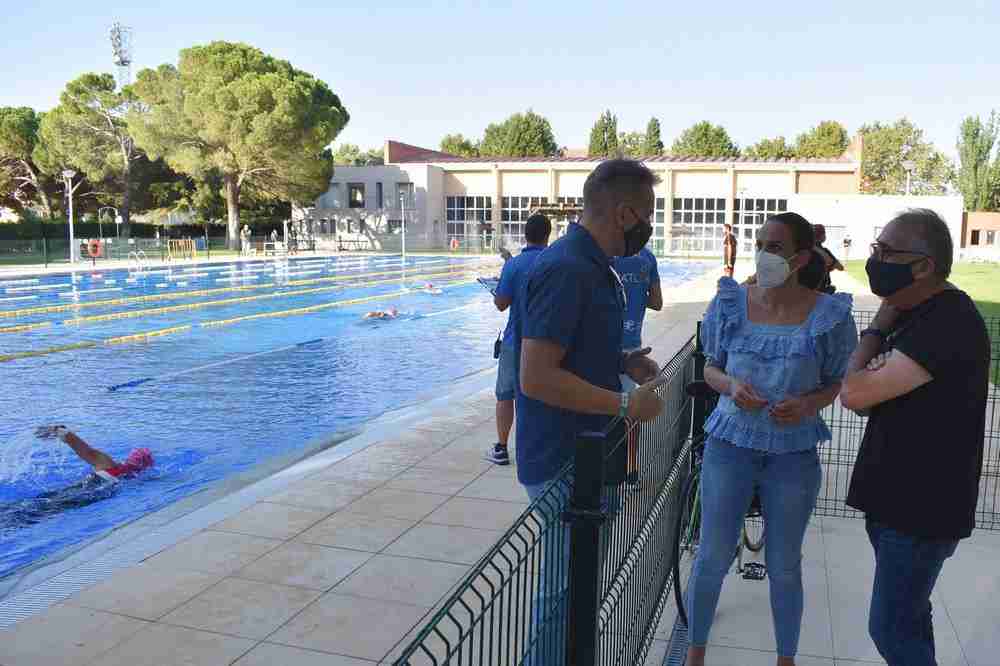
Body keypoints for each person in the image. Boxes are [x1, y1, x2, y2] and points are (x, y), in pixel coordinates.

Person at [514, 159, 668, 663]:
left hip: (585, 459)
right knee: (561, 595)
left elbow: (572, 348)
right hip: (562, 461)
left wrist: (623, 362)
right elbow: (535, 377)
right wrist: (625, 402)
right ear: (624, 213)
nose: (651, 221)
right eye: (647, 211)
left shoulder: (597, 267)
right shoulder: (566, 268)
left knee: (577, 589)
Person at [689, 212, 857, 666]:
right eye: (759, 242)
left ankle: (786, 659)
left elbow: (837, 381)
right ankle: (694, 653)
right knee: (711, 556)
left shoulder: (830, 316)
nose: (763, 253)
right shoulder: (728, 302)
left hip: (793, 454)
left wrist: (807, 405)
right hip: (730, 446)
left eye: (775, 246)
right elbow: (710, 366)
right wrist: (729, 386)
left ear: (802, 258)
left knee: (784, 565)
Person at [839, 209, 989, 666]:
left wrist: (875, 329)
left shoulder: (945, 321)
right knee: (909, 618)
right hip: (896, 501)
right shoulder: (917, 312)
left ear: (923, 266)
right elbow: (865, 396)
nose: (876, 260)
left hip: (920, 508)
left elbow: (853, 392)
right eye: (875, 250)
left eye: (887, 252)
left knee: (889, 629)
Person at [486, 213, 552, 465]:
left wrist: (499, 291)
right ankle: (537, 449)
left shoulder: (513, 265)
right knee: (540, 396)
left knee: (505, 395)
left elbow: (501, 304)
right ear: (548, 235)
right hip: (547, 343)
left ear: (525, 234)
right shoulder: (554, 262)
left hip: (516, 342)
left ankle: (502, 448)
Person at [612, 246, 663, 489]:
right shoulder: (648, 258)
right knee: (632, 412)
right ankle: (631, 469)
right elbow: (657, 301)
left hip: (604, 347)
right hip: (633, 347)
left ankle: (608, 467)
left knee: (605, 412)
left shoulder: (608, 254)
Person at [813, 224, 844, 294]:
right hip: (821, 290)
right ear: (822, 236)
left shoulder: (802, 250)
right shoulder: (823, 251)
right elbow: (840, 267)